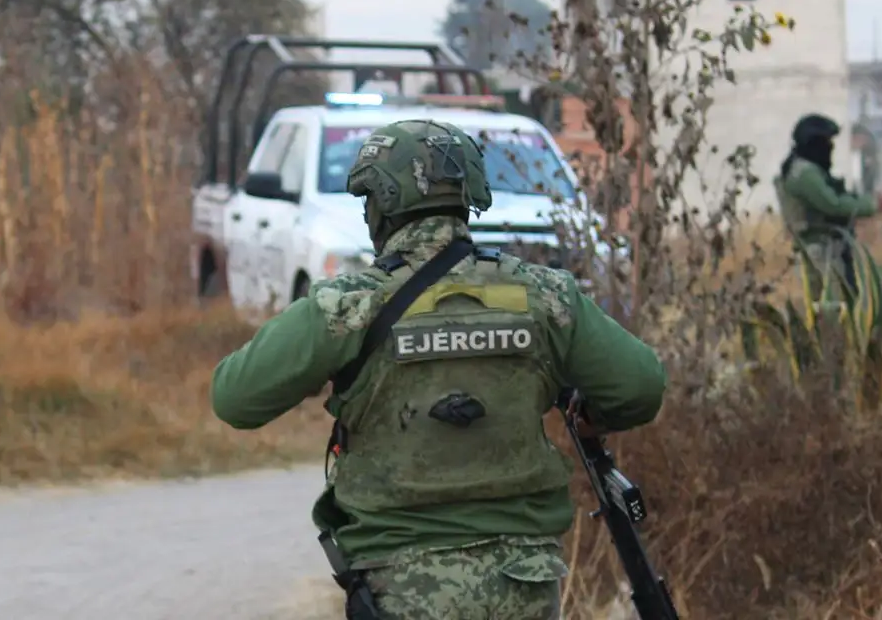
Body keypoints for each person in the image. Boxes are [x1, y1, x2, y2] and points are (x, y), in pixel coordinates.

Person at [210, 119, 668, 620]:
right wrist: (590, 417)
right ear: (468, 197)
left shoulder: (347, 306)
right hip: (525, 580)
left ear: (380, 206)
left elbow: (236, 398)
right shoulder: (545, 296)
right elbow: (640, 386)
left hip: (402, 584)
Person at [773, 113, 882, 399]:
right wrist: (869, 205)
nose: (830, 149)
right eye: (826, 142)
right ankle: (831, 383)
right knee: (832, 315)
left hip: (826, 249)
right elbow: (833, 204)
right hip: (820, 254)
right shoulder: (805, 174)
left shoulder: (803, 169)